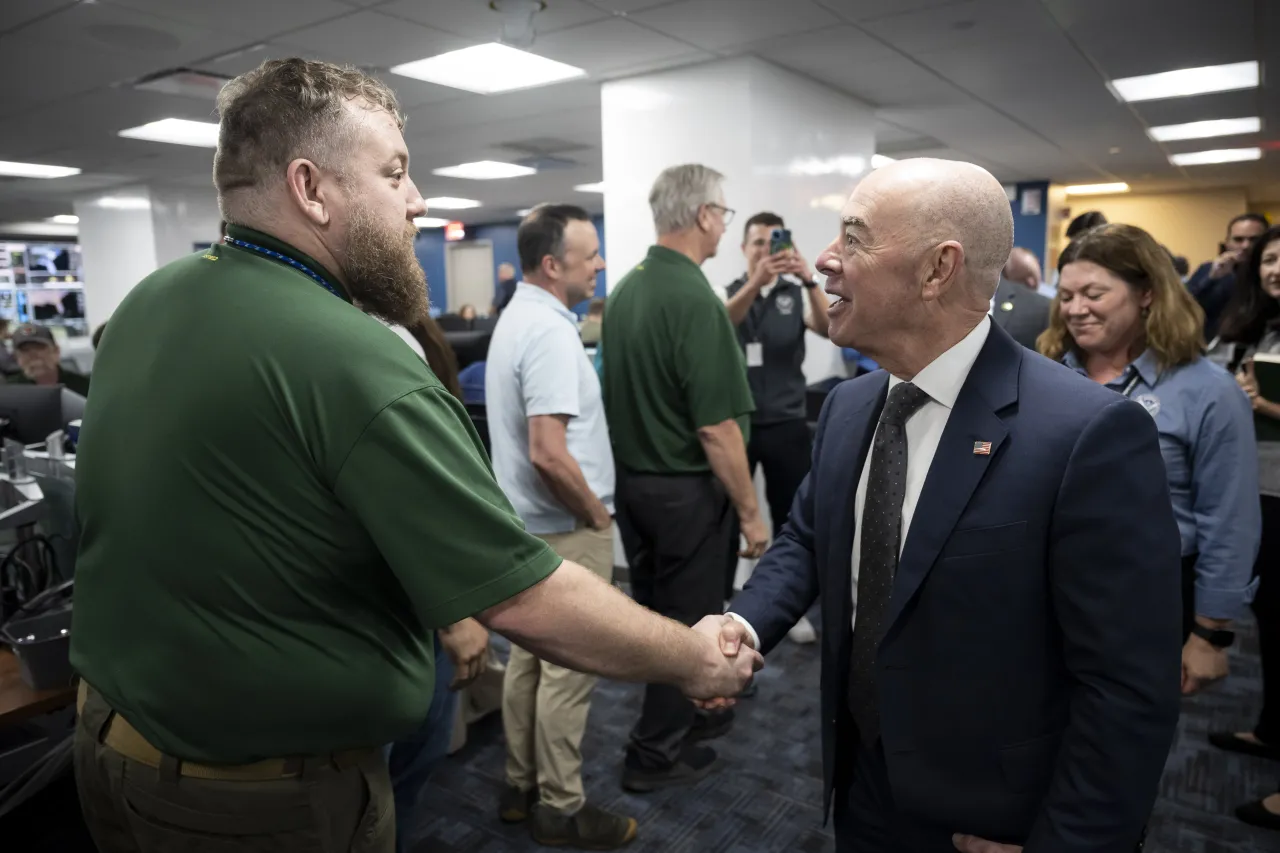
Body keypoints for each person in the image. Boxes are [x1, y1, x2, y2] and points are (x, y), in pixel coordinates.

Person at [69, 58, 761, 853]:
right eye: (394, 172)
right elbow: (524, 598)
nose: (417, 199)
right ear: (311, 187)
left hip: (111, 749)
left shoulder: (151, 300)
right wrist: (692, 656)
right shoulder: (350, 359)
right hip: (250, 801)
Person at [701, 158, 1183, 852]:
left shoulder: (1088, 434)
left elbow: (1126, 689)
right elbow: (809, 538)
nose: (826, 262)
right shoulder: (847, 406)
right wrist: (744, 623)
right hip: (863, 784)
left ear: (937, 270)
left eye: (854, 239)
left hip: (993, 819)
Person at [603, 163, 766, 792]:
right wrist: (752, 515)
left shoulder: (627, 290)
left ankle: (684, 721)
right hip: (685, 495)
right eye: (723, 212)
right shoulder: (694, 297)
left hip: (638, 488)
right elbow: (717, 429)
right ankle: (653, 755)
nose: (725, 221)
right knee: (687, 629)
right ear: (702, 215)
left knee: (656, 618)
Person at [1043, 222, 1261, 691]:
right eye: (1066, 296)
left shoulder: (1209, 392)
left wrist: (1210, 634)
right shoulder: (1047, 376)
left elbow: (1229, 519)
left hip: (1148, 595)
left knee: (1122, 737)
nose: (1076, 310)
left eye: (1094, 294)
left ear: (1146, 294)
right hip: (1047, 588)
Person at [486, 204, 635, 848]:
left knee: (529, 664)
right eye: (590, 253)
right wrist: (596, 514)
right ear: (553, 265)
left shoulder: (518, 318)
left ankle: (520, 787)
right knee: (569, 674)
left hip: (526, 528)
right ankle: (562, 807)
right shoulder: (548, 332)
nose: (599, 264)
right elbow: (549, 451)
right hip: (565, 531)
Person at [1202, 225, 1280, 831]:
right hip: (1259, 490)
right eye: (1270, 260)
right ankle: (1271, 729)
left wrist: (1263, 407)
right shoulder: (1256, 323)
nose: (1276, 269)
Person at [723, 212, 829, 642]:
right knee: (728, 517)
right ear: (744, 248)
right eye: (758, 243)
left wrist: (808, 280)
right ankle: (725, 599)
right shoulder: (728, 294)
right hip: (740, 426)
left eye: (774, 243)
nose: (766, 251)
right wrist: (755, 284)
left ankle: (787, 604)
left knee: (792, 519)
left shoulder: (794, 293)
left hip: (786, 423)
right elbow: (721, 325)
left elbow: (828, 328)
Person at [1188, 213, 1270, 340]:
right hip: (1211, 348)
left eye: (1254, 239)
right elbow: (1184, 307)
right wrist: (1211, 279)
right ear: (1227, 243)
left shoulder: (1273, 273)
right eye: (1238, 239)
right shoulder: (1208, 269)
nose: (1246, 246)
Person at [991, 248, 1052, 349]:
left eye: (1034, 275)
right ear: (1006, 276)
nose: (1032, 282)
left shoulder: (1047, 302)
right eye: (1024, 278)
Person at [10, 323, 90, 396]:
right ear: (16, 357)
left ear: (56, 351)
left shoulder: (83, 386)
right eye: (25, 350)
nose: (33, 355)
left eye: (39, 348)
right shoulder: (8, 391)